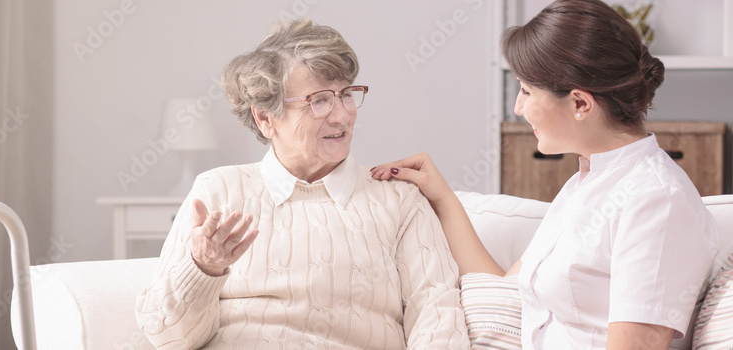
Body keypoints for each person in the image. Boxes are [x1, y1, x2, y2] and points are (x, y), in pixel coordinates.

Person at [372, 0, 719, 349]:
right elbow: (507, 289)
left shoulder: (656, 201)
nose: (517, 108)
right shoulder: (585, 183)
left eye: (525, 91)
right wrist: (442, 197)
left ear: (581, 103)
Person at [135, 19, 469, 349]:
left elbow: (438, 319)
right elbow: (168, 338)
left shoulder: (398, 199)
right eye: (319, 100)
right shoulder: (218, 191)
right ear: (265, 118)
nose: (342, 116)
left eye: (346, 95)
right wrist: (203, 268)